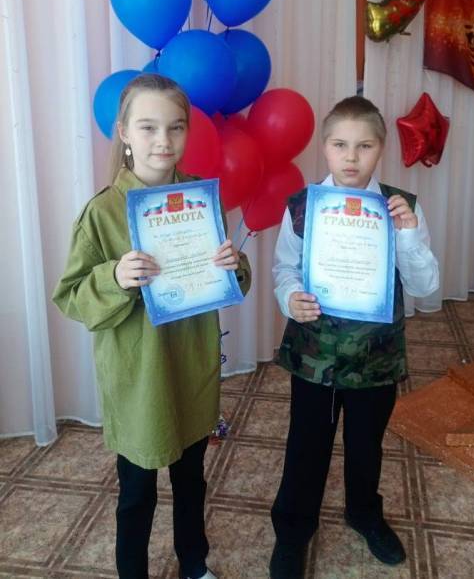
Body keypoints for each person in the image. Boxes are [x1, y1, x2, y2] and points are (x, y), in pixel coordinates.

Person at [53, 74, 251, 579]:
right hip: (137, 375)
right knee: (137, 492)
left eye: (175, 127)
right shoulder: (102, 212)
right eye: (148, 127)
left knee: (191, 480)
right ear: (124, 132)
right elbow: (71, 296)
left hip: (191, 363)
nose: (163, 140)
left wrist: (234, 265)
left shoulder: (202, 200)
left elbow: (233, 280)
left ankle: (194, 564)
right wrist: (115, 276)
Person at [269, 96, 439, 579]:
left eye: (364, 146)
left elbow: (426, 286)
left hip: (375, 359)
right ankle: (293, 531)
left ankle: (363, 512)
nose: (351, 157)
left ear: (380, 148)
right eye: (340, 145)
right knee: (307, 445)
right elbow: (284, 267)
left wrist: (407, 234)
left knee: (366, 444)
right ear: (324, 147)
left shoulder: (401, 208)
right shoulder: (303, 206)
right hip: (315, 356)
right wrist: (290, 297)